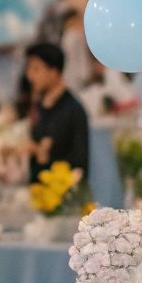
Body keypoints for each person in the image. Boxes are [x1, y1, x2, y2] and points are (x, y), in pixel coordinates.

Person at [25, 41, 90, 181]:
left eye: (36, 69)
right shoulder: (39, 105)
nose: (30, 76)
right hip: (38, 192)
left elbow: (80, 162)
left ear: (53, 72)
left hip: (64, 196)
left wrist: (47, 157)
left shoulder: (74, 110)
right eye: (28, 69)